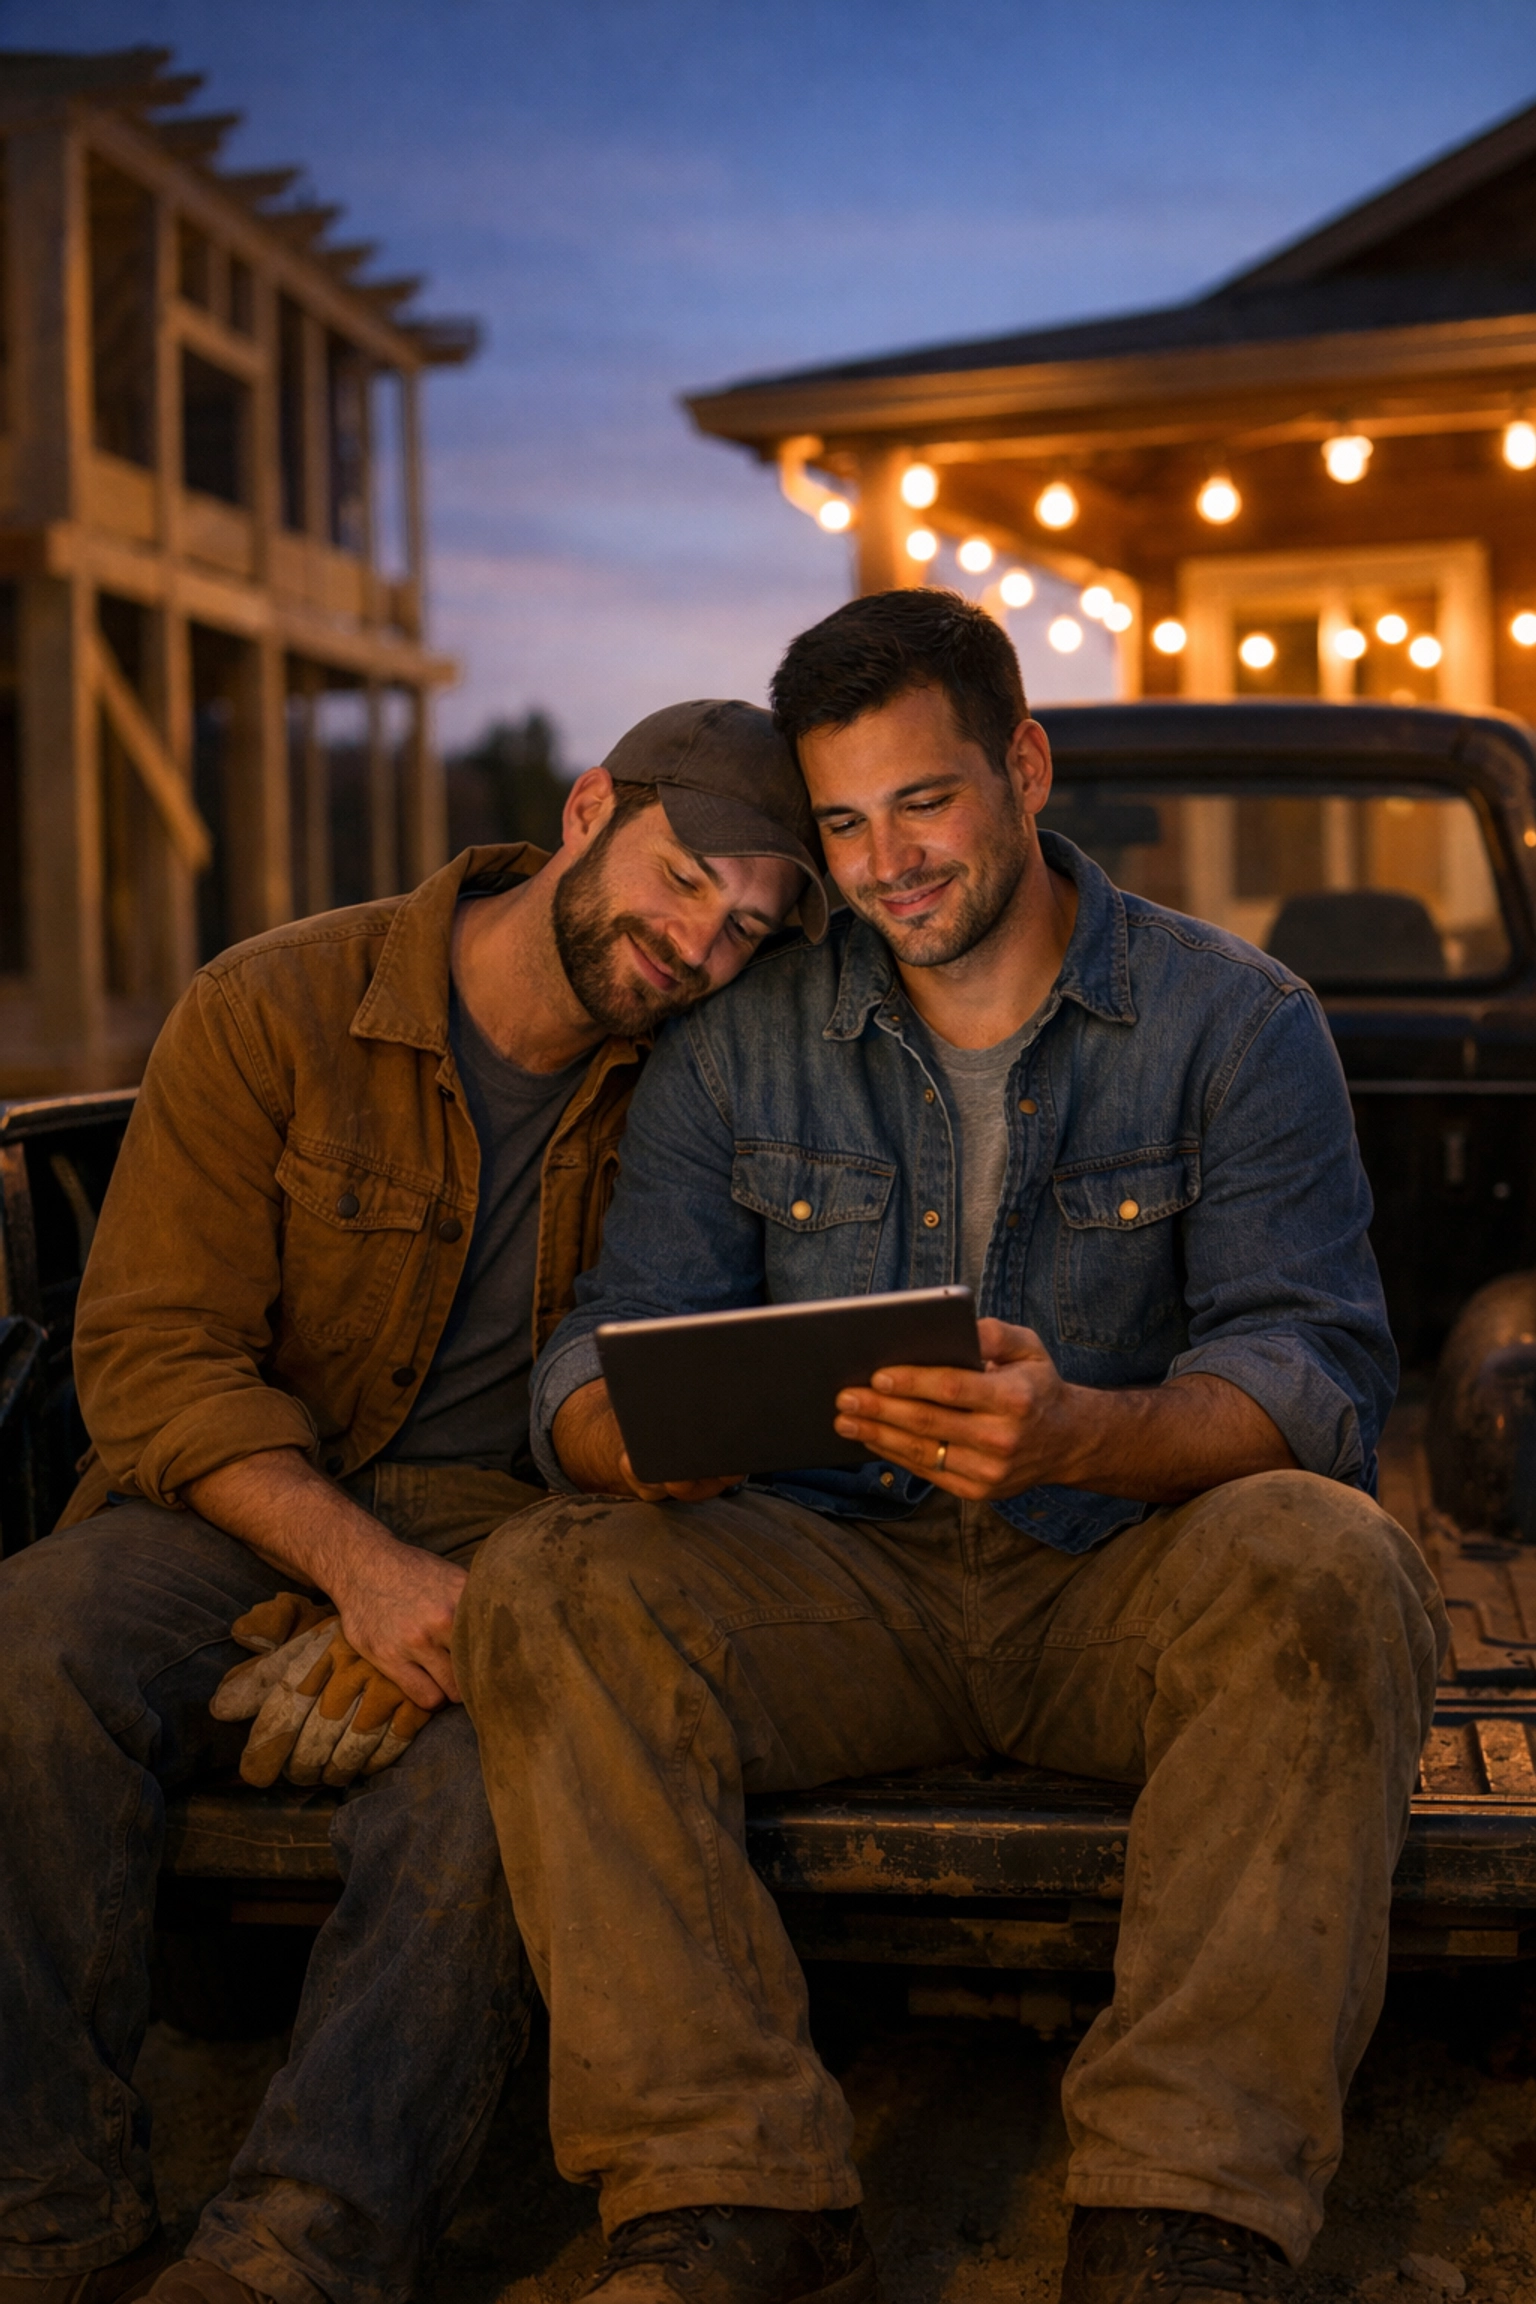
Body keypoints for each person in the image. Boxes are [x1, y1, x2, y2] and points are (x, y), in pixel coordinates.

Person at [455, 593, 1449, 2304]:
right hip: (837, 1577)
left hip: (1118, 1579)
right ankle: (728, 2194)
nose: (886, 864)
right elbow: (598, 1350)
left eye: (923, 802)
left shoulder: (1238, 1021)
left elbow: (1319, 1376)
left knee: (1337, 1566)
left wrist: (1088, 1429)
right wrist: (636, 1443)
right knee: (549, 1583)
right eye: (842, 823)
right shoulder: (744, 1032)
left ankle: (1181, 2213)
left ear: (1026, 767)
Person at [0, 702, 820, 2304]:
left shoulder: (707, 1080)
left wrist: (481, 1596)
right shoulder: (277, 1003)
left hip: (530, 1530)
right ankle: (48, 2221)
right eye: (682, 881)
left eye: (745, 929)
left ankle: (297, 2253)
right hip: (246, 1489)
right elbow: (155, 1354)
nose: (698, 948)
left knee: (490, 1781)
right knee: (27, 1645)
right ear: (590, 810)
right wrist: (354, 1573)